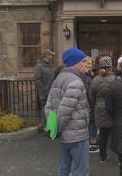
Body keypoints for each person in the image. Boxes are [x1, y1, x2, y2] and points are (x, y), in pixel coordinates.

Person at [44, 46, 90, 176]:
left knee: (64, 168)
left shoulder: (58, 79)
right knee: (80, 171)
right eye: (82, 61)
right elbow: (64, 112)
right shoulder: (76, 82)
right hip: (77, 135)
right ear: (74, 63)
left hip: (65, 135)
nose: (85, 64)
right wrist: (57, 129)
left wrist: (53, 128)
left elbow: (49, 107)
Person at [89, 56, 117, 162]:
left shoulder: (95, 79)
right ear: (110, 66)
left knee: (103, 133)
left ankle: (103, 156)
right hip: (113, 109)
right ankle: (120, 158)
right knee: (115, 133)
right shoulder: (115, 79)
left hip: (99, 108)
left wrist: (96, 104)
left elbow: (91, 96)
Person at [80, 56, 99, 153]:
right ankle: (87, 142)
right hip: (85, 101)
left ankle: (93, 140)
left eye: (91, 64)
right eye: (87, 63)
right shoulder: (82, 75)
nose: (89, 65)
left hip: (92, 101)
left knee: (92, 121)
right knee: (86, 122)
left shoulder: (92, 74)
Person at [34, 49, 56, 124]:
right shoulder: (39, 66)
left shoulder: (51, 65)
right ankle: (44, 125)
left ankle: (50, 125)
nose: (52, 56)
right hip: (44, 93)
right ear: (46, 56)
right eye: (51, 55)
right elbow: (37, 80)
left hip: (52, 92)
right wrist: (45, 89)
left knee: (51, 110)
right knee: (45, 109)